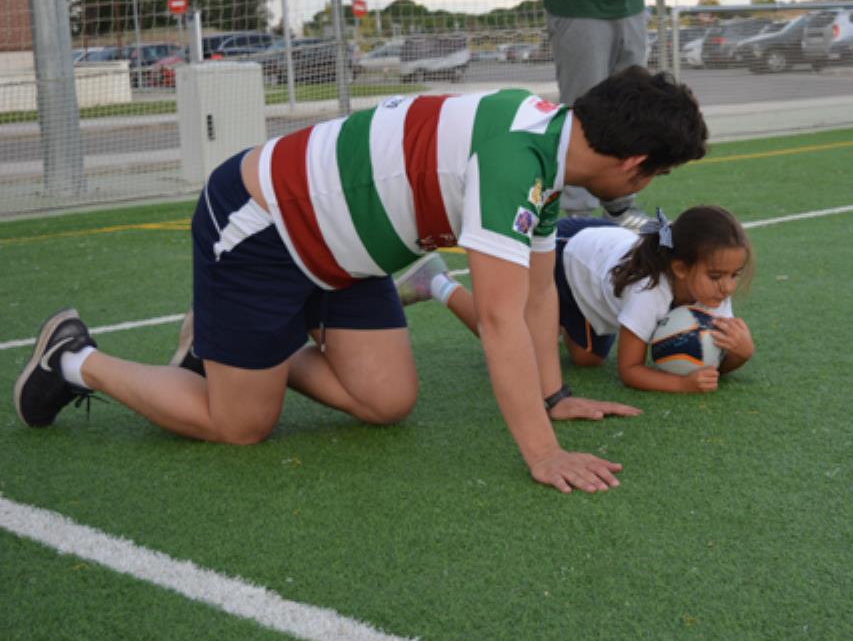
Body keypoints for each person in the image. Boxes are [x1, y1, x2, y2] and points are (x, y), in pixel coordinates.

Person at [14, 67, 708, 495]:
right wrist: (543, 454)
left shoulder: (551, 145)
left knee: (386, 400)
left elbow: (536, 294)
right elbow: (500, 321)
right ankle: (75, 359)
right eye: (657, 174)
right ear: (636, 163)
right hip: (264, 227)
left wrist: (554, 395)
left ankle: (228, 346)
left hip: (347, 254)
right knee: (241, 425)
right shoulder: (514, 162)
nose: (649, 185)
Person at [399, 206, 755, 393]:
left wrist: (740, 352)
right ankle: (437, 283)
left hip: (596, 278)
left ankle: (558, 323)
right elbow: (630, 370)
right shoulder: (649, 292)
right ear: (680, 268)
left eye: (734, 276)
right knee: (514, 334)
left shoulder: (712, 294)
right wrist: (680, 384)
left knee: (585, 360)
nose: (726, 288)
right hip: (567, 253)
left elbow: (714, 364)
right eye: (716, 276)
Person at [482, 0, 667, 228]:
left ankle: (620, 207)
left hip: (627, 2)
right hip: (578, 5)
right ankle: (575, 214)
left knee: (631, 110)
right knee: (582, 113)